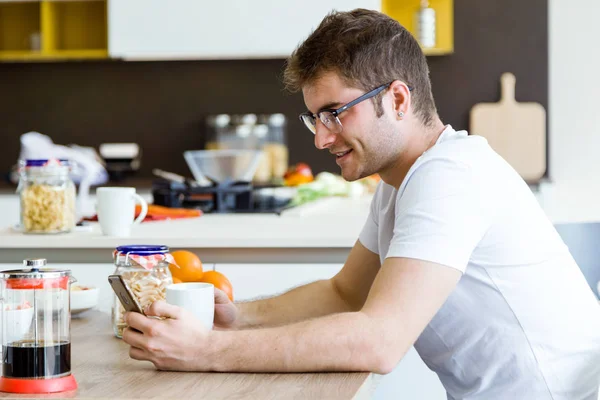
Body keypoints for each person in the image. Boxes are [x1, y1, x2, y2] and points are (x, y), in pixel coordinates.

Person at [122, 9, 600, 399]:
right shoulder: (401, 180)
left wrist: (205, 351)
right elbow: (345, 293)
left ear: (396, 99)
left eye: (334, 112)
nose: (322, 137)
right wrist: (236, 318)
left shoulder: (450, 176)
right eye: (314, 118)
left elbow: (380, 341)